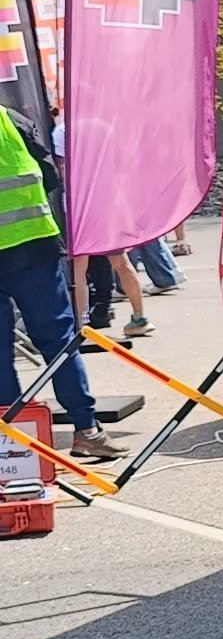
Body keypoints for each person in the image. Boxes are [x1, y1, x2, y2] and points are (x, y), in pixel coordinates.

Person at [0, 104, 125, 460]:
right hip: (31, 246)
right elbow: (50, 175)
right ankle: (86, 430)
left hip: (29, 248)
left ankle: (15, 444)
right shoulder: (11, 120)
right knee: (58, 342)